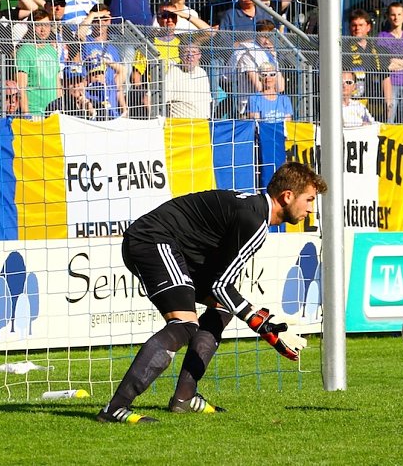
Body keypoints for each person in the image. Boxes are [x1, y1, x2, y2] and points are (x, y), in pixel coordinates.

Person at [96, 161, 327, 423]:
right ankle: (114, 408)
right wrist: (260, 322)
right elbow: (221, 285)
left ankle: (184, 398)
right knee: (183, 325)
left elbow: (221, 285)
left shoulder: (254, 212)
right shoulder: (254, 222)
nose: (310, 209)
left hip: (172, 246)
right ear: (287, 196)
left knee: (222, 307)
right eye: (309, 200)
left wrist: (262, 321)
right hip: (152, 239)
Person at [15, 8, 61, 116]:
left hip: (54, 112)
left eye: (46, 25)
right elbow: (21, 86)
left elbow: (57, 83)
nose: (43, 29)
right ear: (31, 27)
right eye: (38, 25)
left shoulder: (52, 50)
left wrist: (60, 108)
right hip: (34, 112)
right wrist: (26, 114)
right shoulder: (24, 51)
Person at [377, 2, 403, 123]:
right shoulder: (382, 36)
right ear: (388, 16)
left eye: (399, 14)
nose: (396, 18)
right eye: (393, 14)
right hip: (390, 83)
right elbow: (387, 63)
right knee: (389, 120)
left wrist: (396, 61)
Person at [162, 42, 212, 119]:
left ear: (199, 55)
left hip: (202, 123)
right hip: (181, 123)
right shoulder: (173, 72)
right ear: (180, 55)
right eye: (186, 52)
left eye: (194, 52)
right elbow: (160, 99)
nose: (190, 56)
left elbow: (208, 100)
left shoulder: (202, 72)